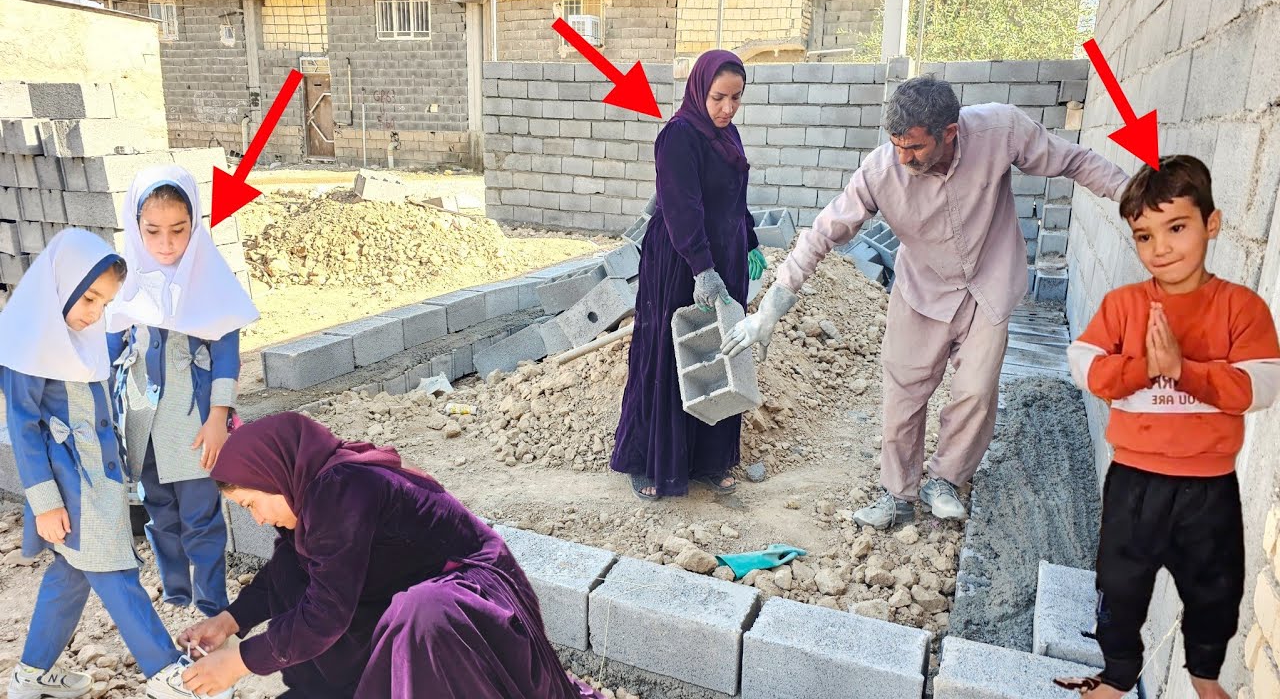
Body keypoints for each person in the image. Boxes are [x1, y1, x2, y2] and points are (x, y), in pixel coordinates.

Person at [723, 76, 1129, 528]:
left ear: (949, 132)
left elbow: (1071, 159)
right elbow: (822, 234)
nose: (904, 157)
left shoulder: (1000, 130)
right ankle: (896, 494)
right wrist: (770, 310)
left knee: (975, 391)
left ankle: (946, 480)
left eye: (914, 147)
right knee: (903, 393)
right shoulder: (881, 173)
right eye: (896, 144)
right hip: (922, 292)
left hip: (988, 285)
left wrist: (1130, 191)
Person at [174, 412, 604, 699]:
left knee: (420, 615)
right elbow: (284, 572)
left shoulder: (341, 489)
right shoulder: (311, 491)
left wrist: (240, 661)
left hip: (474, 595)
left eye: (252, 504)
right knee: (295, 578)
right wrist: (229, 622)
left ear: (276, 476)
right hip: (415, 587)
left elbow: (326, 615)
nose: (259, 520)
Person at [1057, 156, 1280, 699]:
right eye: (1143, 236)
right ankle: (1116, 675)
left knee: (1214, 589)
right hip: (1135, 479)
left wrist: (1184, 371)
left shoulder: (1240, 308)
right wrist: (1144, 368)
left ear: (1212, 223)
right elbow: (1084, 364)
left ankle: (1206, 679)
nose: (1161, 248)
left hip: (1209, 485)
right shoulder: (1124, 305)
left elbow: (1261, 386)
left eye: (1176, 227)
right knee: (1119, 583)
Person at [2, 228, 228, 699]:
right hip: (71, 488)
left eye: (103, 304)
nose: (94, 314)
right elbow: (23, 431)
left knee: (70, 577)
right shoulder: (29, 348)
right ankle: (167, 672)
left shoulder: (76, 339)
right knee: (117, 574)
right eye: (88, 299)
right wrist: (44, 503)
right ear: (59, 286)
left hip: (98, 483)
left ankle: (32, 676)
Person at [610, 49, 767, 500]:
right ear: (700, 90)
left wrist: (750, 238)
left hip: (726, 260)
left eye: (736, 98)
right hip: (683, 263)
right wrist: (703, 269)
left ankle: (708, 461)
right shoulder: (678, 136)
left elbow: (733, 197)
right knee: (670, 357)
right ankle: (650, 461)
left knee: (719, 355)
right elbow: (681, 208)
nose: (728, 108)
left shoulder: (728, 134)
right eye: (719, 97)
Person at [106, 165, 259, 619]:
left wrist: (219, 418)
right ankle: (176, 593)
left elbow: (227, 355)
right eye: (152, 231)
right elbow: (109, 351)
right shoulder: (123, 281)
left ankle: (211, 601)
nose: (167, 243)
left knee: (201, 517)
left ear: (194, 226)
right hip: (140, 422)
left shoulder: (207, 276)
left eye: (178, 230)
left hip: (194, 423)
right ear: (136, 229)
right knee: (159, 512)